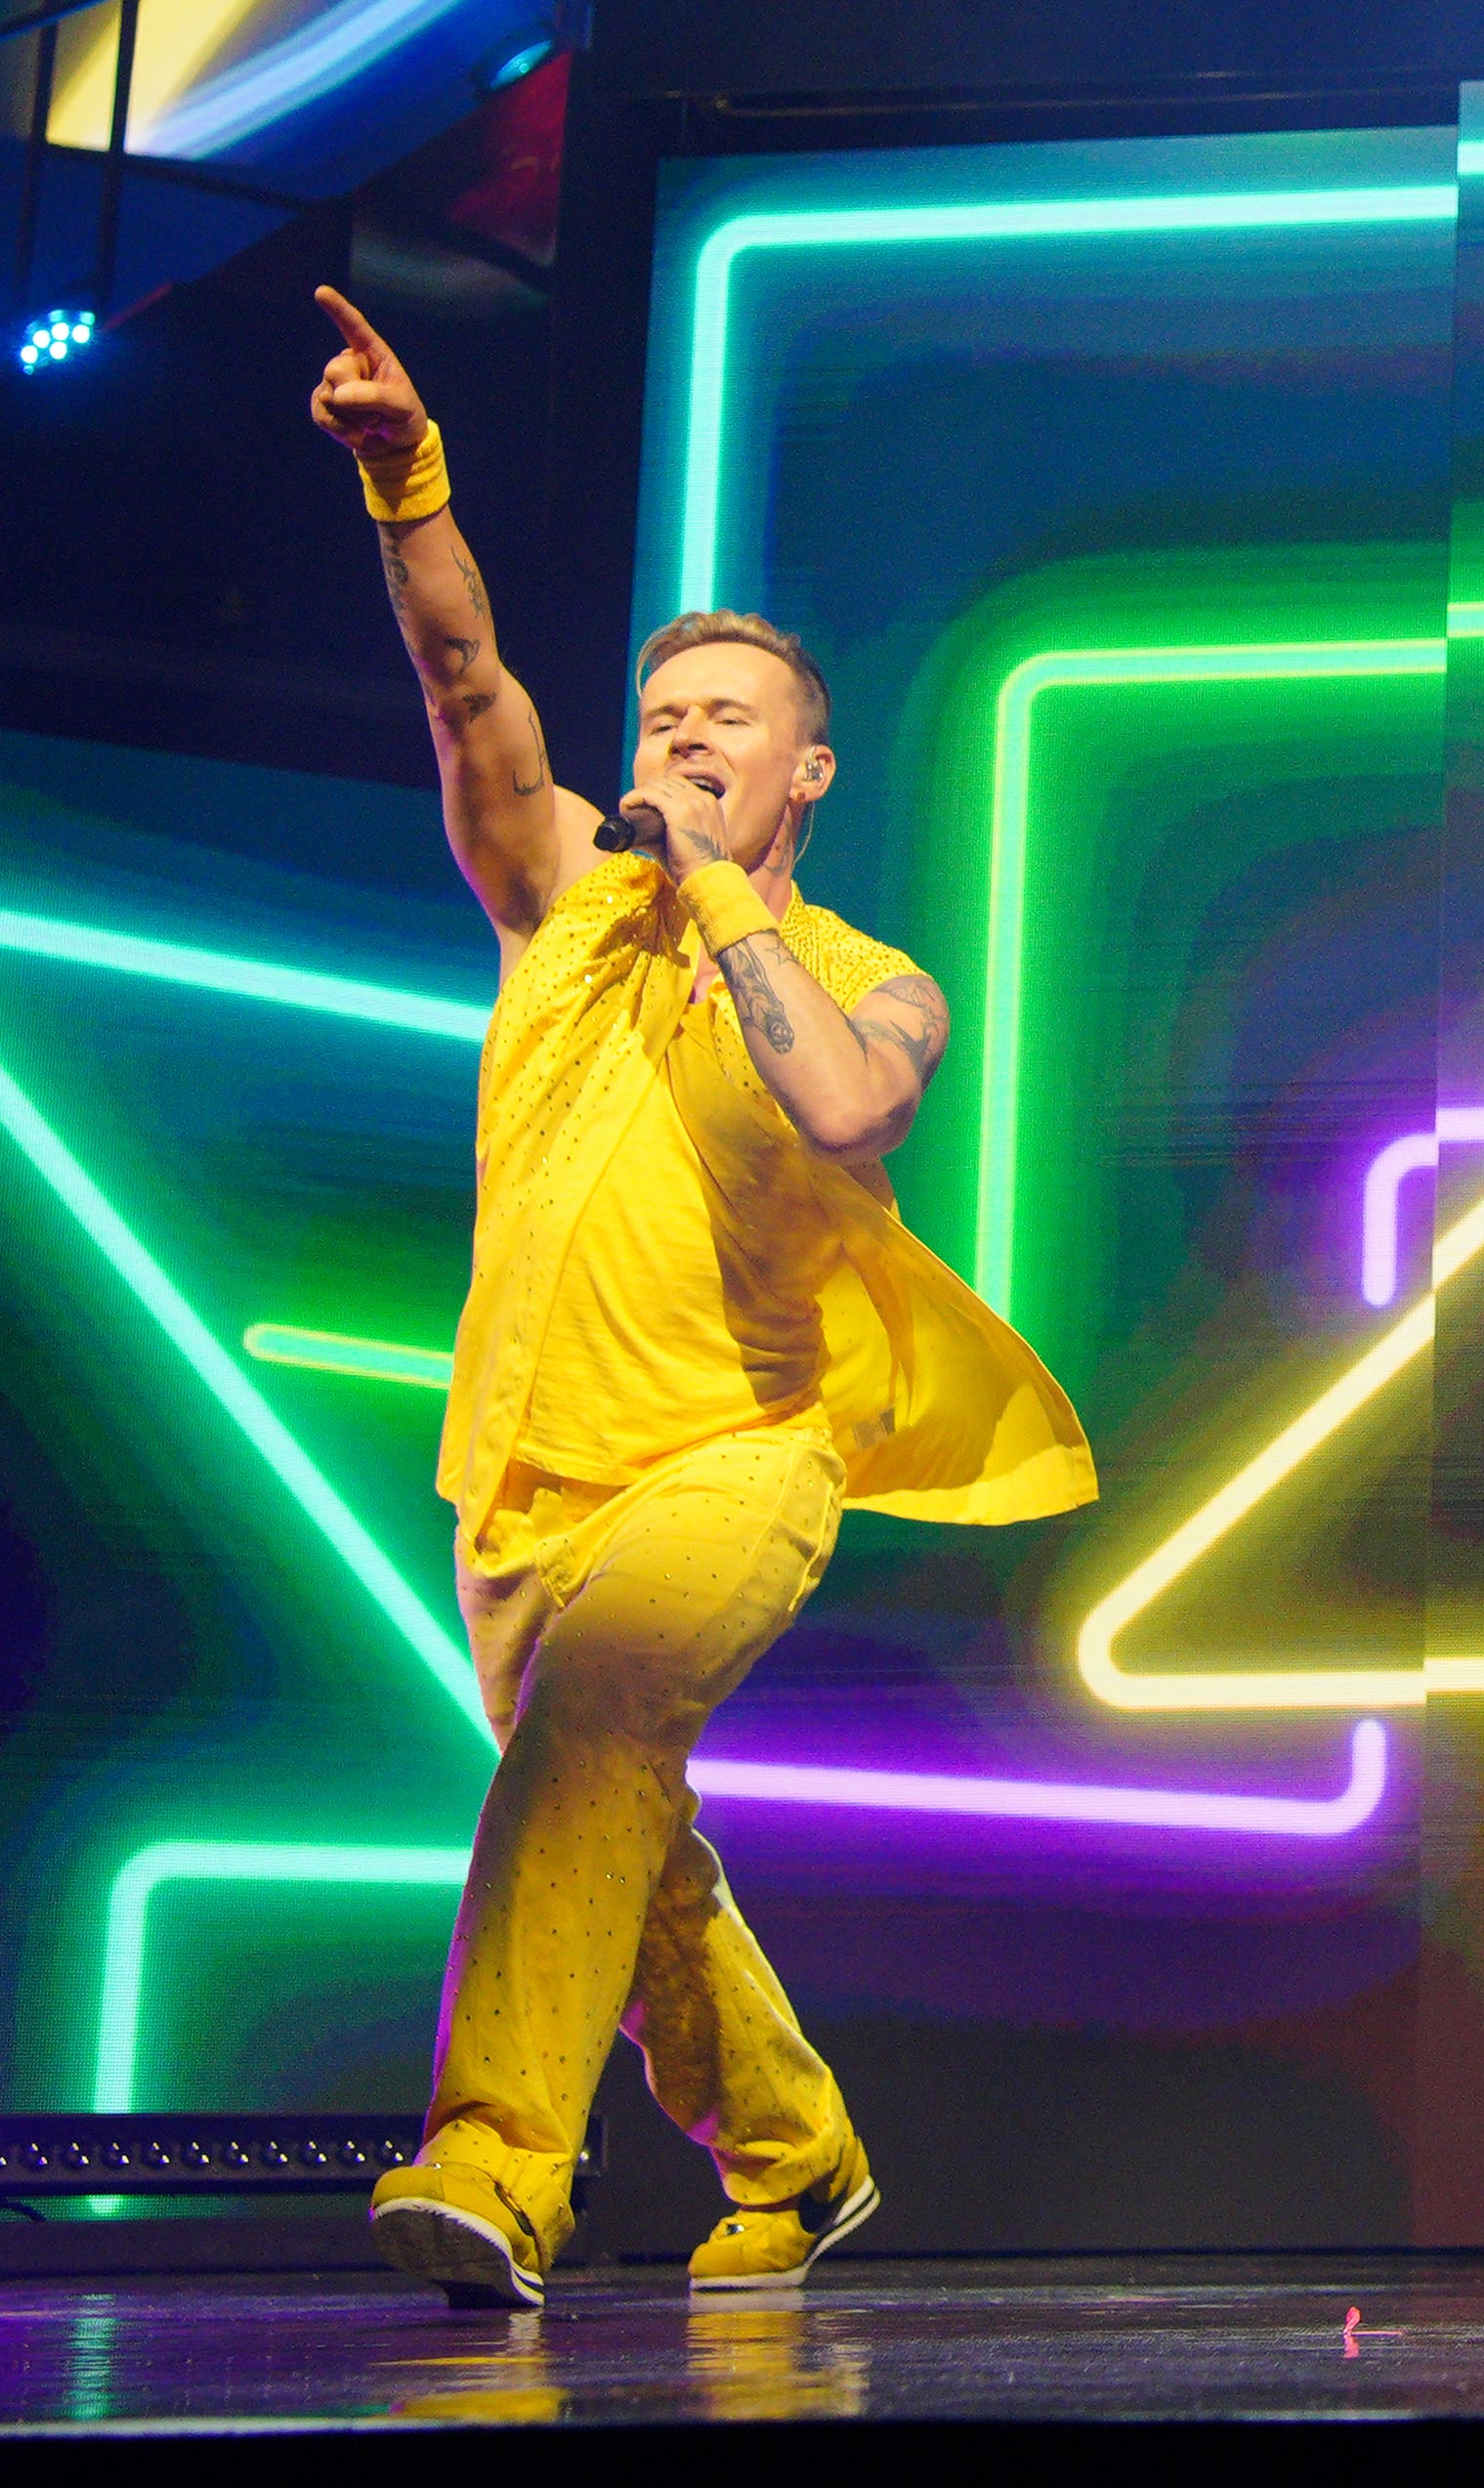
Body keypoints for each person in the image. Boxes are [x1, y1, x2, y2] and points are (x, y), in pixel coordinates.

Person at [310, 290, 1092, 2308]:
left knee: (580, 1755)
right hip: (517, 1479)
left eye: (723, 715)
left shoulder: (867, 966)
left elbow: (844, 1103)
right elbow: (464, 670)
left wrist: (723, 890)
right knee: (620, 1835)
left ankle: (497, 2167)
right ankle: (796, 2145)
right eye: (662, 713)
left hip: (743, 1456)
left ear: (803, 764)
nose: (677, 735)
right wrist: (411, 479)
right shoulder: (562, 890)